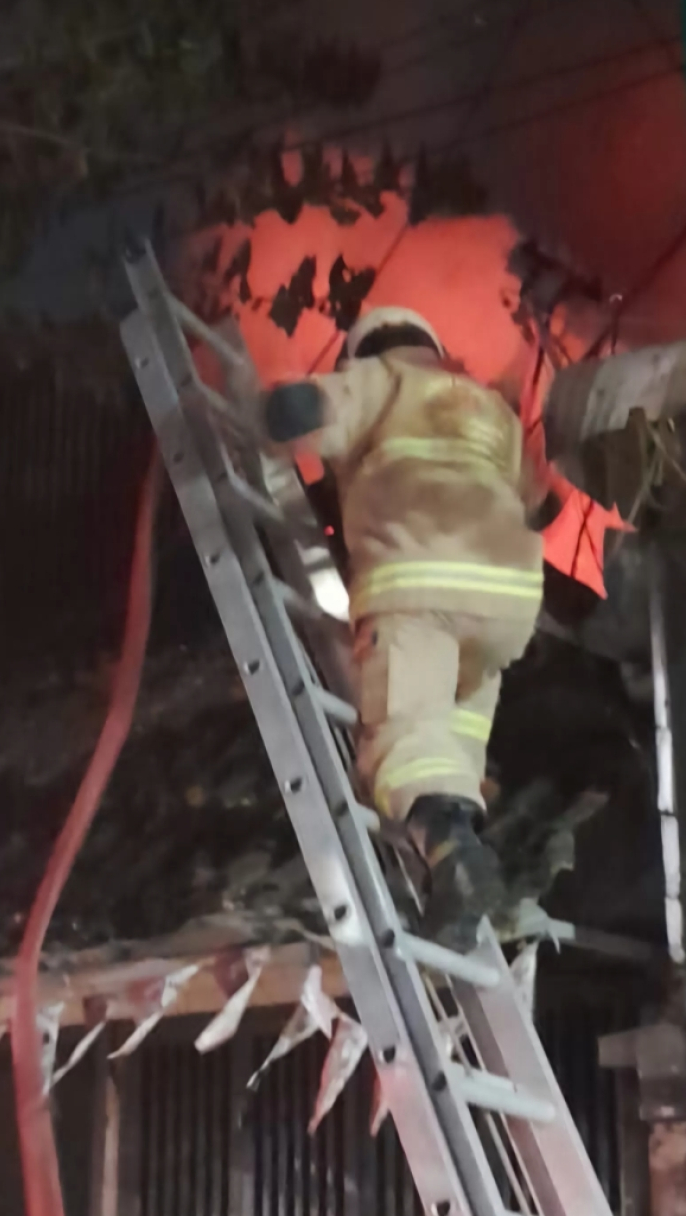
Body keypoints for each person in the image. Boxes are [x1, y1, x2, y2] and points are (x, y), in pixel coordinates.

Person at [259, 307, 561, 949]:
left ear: (366, 352)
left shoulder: (382, 380)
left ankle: (454, 856)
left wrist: (269, 413)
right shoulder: (492, 410)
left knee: (403, 736)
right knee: (455, 741)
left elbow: (312, 411)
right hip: (509, 604)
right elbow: (542, 500)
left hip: (420, 584)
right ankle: (458, 874)